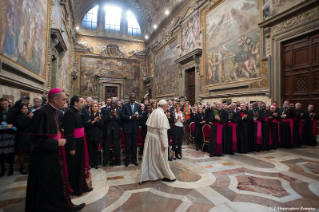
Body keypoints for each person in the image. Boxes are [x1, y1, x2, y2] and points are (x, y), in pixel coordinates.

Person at [26, 88, 85, 212]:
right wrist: (57, 142)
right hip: (43, 158)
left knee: (55, 183)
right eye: (63, 99)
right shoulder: (42, 112)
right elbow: (35, 139)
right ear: (55, 99)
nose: (65, 101)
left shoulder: (53, 111)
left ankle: (61, 206)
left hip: (52, 154)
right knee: (48, 184)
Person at [139, 100, 176, 184]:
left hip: (151, 138)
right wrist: (165, 144)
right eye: (167, 105)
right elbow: (162, 131)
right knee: (161, 158)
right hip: (158, 139)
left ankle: (152, 174)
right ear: (163, 106)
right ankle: (167, 175)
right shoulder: (162, 114)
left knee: (152, 159)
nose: (167, 107)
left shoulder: (154, 112)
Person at [64, 96, 93, 196]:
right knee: (75, 167)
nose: (83, 103)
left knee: (80, 165)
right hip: (74, 144)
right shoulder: (69, 113)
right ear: (75, 103)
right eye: (81, 102)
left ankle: (82, 186)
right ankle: (75, 188)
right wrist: (71, 147)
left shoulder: (75, 112)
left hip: (79, 142)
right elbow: (69, 132)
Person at [121, 93, 142, 167]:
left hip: (135, 128)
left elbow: (141, 115)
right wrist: (130, 117)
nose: (132, 99)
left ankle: (134, 160)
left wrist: (137, 116)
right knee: (127, 145)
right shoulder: (125, 106)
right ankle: (127, 160)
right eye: (131, 98)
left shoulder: (138, 106)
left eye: (133, 98)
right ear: (129, 98)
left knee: (134, 145)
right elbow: (122, 115)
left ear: (135, 98)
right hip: (127, 128)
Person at [83, 101, 103, 169]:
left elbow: (102, 125)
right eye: (93, 106)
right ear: (91, 107)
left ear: (98, 107)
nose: (94, 107)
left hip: (97, 134)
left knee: (95, 149)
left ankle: (96, 163)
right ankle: (91, 163)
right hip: (89, 134)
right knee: (90, 149)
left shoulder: (100, 115)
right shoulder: (88, 115)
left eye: (95, 106)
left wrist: (97, 121)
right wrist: (93, 121)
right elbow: (85, 124)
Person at [14, 103, 33, 175]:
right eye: (24, 108)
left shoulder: (27, 116)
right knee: (22, 152)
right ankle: (22, 167)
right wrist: (28, 117)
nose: (26, 110)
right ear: (20, 109)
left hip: (29, 136)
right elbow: (22, 126)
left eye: (26, 108)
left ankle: (29, 166)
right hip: (22, 136)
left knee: (30, 151)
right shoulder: (17, 117)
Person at [103, 100, 122, 166]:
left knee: (117, 148)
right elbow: (104, 120)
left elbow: (121, 121)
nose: (113, 104)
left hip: (116, 132)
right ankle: (105, 162)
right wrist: (110, 116)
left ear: (116, 104)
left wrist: (116, 116)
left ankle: (118, 161)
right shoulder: (106, 111)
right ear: (110, 104)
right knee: (107, 147)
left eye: (114, 103)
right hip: (108, 132)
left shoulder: (119, 111)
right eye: (112, 103)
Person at [0, 97, 15, 176]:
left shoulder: (13, 111)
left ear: (8, 103)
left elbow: (16, 120)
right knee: (1, 153)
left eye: (5, 104)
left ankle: (11, 168)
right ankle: (3, 169)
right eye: (2, 104)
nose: (4, 106)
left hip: (10, 134)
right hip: (1, 135)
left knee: (10, 153)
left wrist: (12, 124)